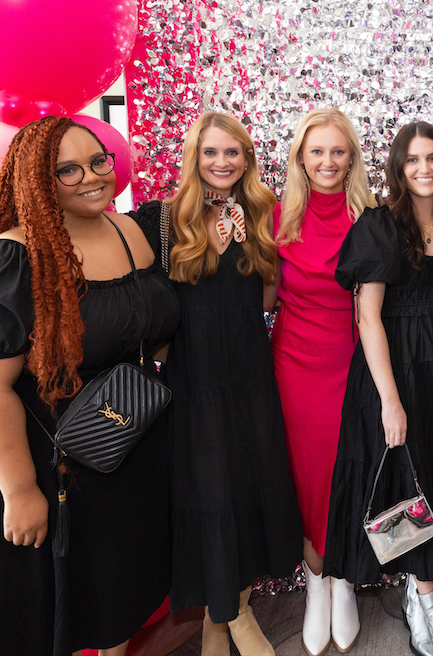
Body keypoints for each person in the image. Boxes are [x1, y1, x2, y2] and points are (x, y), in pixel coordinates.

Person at [0, 117, 180, 656]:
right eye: (66, 170)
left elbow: (148, 328)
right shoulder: (8, 258)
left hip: (114, 433)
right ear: (36, 181)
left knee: (114, 587)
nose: (91, 177)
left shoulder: (133, 231)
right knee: (40, 604)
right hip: (33, 453)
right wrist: (20, 491)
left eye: (97, 162)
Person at [131, 112, 302, 656]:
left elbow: (268, 300)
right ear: (194, 157)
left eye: (233, 152)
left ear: (247, 159)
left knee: (248, 492)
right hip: (192, 381)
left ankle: (222, 618)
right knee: (209, 497)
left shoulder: (263, 214)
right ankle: (232, 615)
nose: (222, 162)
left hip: (250, 376)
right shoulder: (161, 220)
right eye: (211, 152)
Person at [323, 122, 433, 656]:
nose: (424, 168)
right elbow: (368, 318)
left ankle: (421, 596)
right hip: (395, 372)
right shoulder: (380, 225)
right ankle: (429, 602)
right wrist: (390, 401)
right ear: (398, 167)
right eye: (413, 160)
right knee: (407, 484)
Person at [272, 107, 374, 656]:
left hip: (352, 364)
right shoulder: (276, 217)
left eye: (338, 151)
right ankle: (316, 581)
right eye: (317, 151)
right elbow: (264, 296)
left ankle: (345, 579)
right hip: (294, 365)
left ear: (351, 158)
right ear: (301, 158)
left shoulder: (370, 218)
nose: (327, 161)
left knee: (346, 469)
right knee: (306, 473)